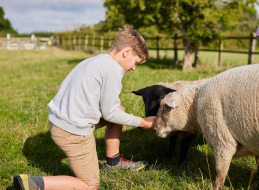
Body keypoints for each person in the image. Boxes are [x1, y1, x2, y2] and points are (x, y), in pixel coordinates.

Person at [13, 25, 156, 190]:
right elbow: (110, 113)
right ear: (127, 52)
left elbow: (111, 109)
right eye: (136, 62)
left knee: (120, 109)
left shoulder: (97, 60)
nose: (133, 68)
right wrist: (144, 122)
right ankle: (33, 183)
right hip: (72, 132)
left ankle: (113, 162)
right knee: (91, 185)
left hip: (59, 121)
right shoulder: (113, 69)